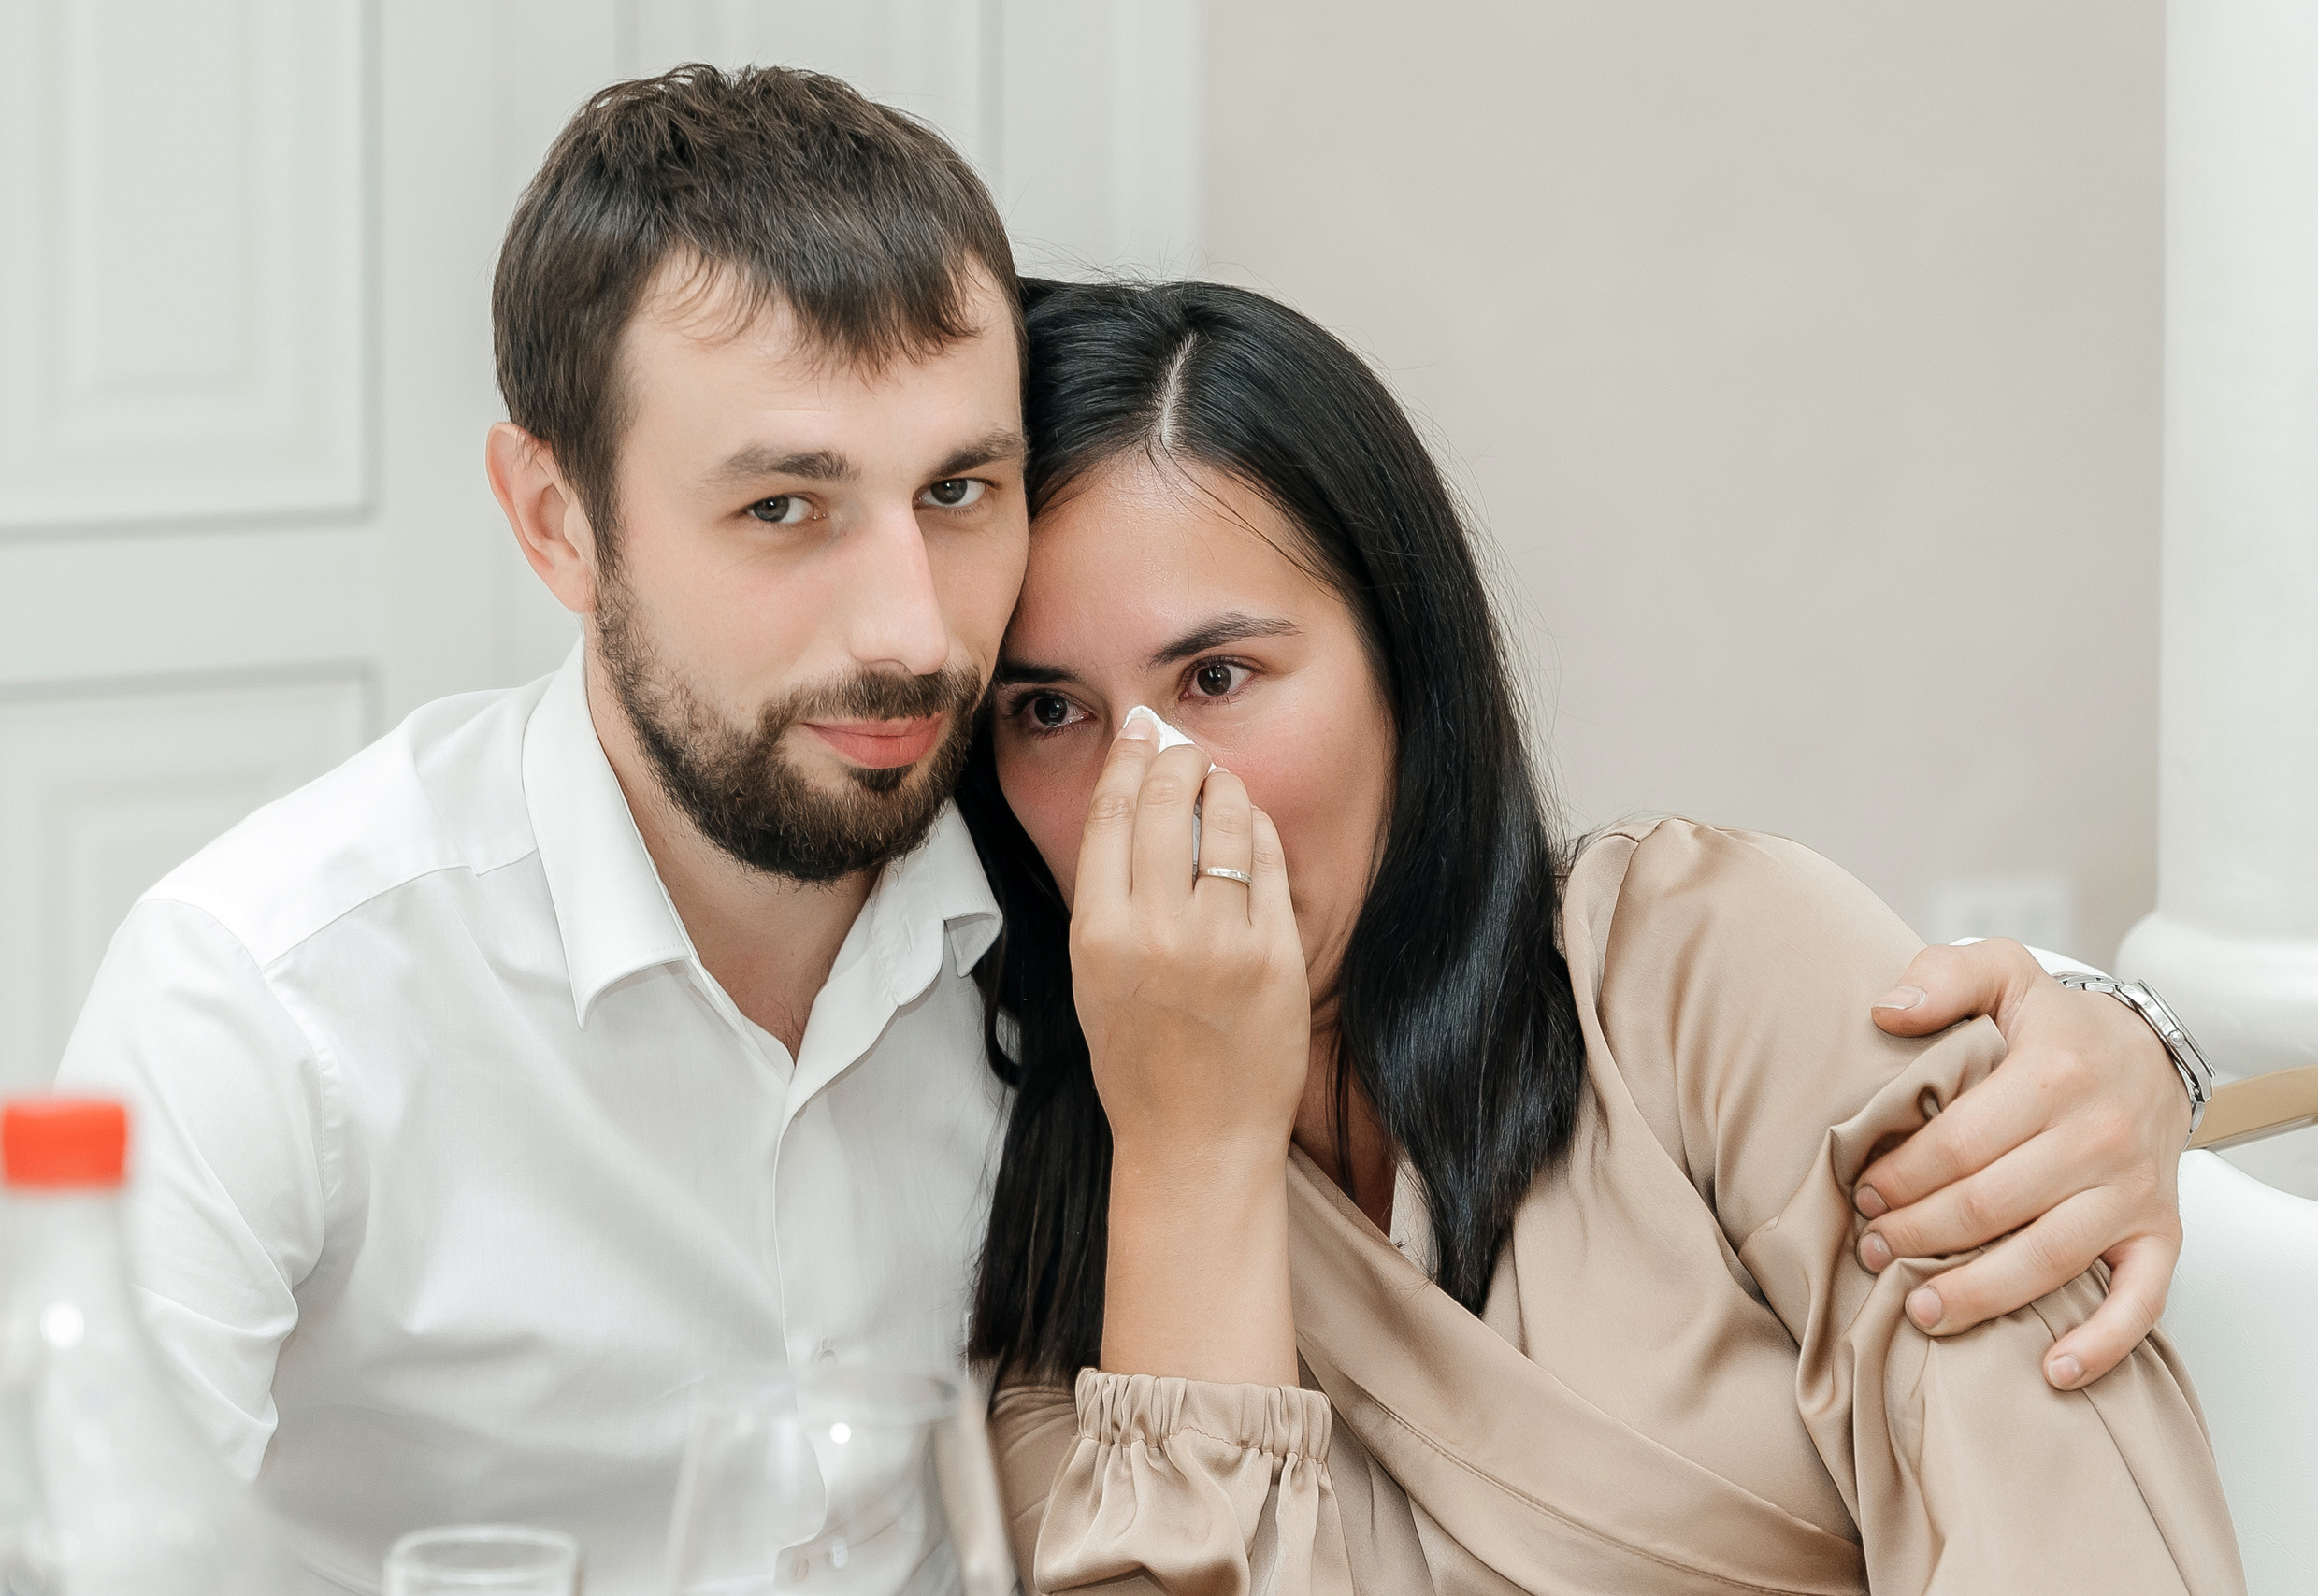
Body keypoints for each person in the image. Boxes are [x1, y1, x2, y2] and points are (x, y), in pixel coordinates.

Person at [50, 66, 2198, 1596]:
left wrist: (2129, 1039)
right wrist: (1183, 1145)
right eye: (782, 506)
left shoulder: (1616, 965)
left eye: (958, 490)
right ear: (555, 518)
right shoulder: (299, 993)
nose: (912, 629)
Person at [959, 280, 2244, 1592]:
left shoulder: (1705, 970)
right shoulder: (1053, 1277)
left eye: (1218, 680)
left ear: (1407, 669)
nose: (1146, 794)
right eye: (1050, 713)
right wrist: (1193, 1157)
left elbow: (2067, 1518)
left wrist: (2142, 1035)